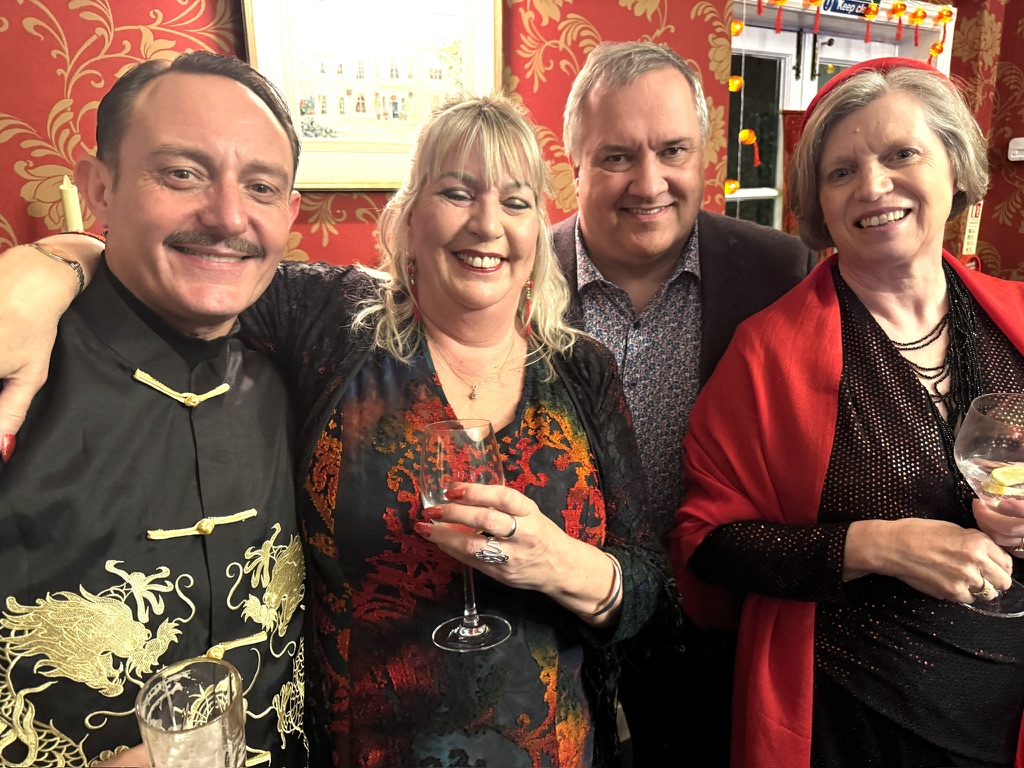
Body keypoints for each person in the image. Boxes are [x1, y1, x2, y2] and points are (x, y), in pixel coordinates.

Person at [0, 93, 663, 767]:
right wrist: (52, 264)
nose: (488, 224)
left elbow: (648, 588)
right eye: (457, 193)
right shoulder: (330, 320)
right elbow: (201, 268)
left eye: (516, 202)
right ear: (409, 218)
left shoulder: (582, 369)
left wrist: (561, 564)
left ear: (538, 231)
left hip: (559, 750)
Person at [671, 57, 1024, 768]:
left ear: (954, 167)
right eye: (842, 172)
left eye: (902, 155)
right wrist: (877, 546)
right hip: (847, 722)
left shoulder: (1014, 319)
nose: (873, 186)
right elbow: (706, 544)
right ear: (820, 204)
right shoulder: (767, 352)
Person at [0, 52, 308, 766]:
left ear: (289, 214)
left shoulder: (306, 364)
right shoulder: (16, 367)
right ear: (99, 188)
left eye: (261, 187)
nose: (228, 216)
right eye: (181, 174)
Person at [554, 40, 816, 766]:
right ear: (574, 164)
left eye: (672, 150)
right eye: (616, 156)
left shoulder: (777, 271)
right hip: (563, 622)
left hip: (717, 618)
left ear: (702, 156)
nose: (649, 182)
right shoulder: (519, 275)